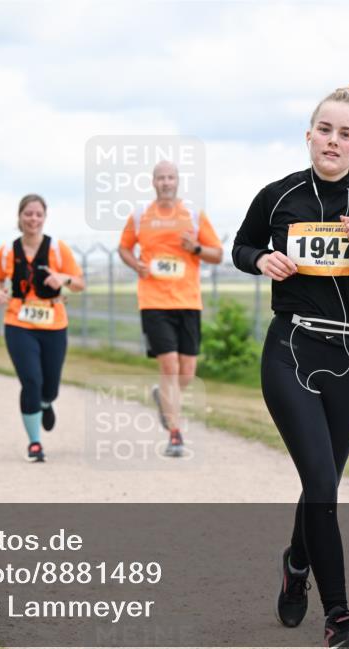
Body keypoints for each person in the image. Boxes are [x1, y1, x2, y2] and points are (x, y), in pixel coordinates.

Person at [232, 82, 349, 649]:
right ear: (309, 134)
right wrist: (262, 259)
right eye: (325, 129)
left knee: (323, 483)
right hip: (290, 349)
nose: (333, 140)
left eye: (346, 133)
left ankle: (295, 562)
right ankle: (339, 616)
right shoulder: (278, 196)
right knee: (320, 483)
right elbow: (241, 246)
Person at [118, 160, 223, 457]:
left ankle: (163, 398)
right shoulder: (140, 216)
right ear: (153, 182)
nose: (165, 182)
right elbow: (124, 247)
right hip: (153, 301)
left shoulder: (192, 215)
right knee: (169, 366)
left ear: (177, 181)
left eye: (170, 177)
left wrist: (196, 249)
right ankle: (175, 435)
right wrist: (134, 262)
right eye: (160, 178)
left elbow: (217, 254)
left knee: (187, 372)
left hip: (188, 301)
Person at [0, 194, 84, 462]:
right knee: (31, 380)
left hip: (54, 323)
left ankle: (46, 403)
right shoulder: (7, 251)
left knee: (50, 385)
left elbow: (79, 283)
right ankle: (34, 443)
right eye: (28, 214)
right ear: (19, 217)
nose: (33, 219)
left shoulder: (57, 249)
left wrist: (63, 279)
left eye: (38, 214)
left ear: (45, 217)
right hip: (18, 323)